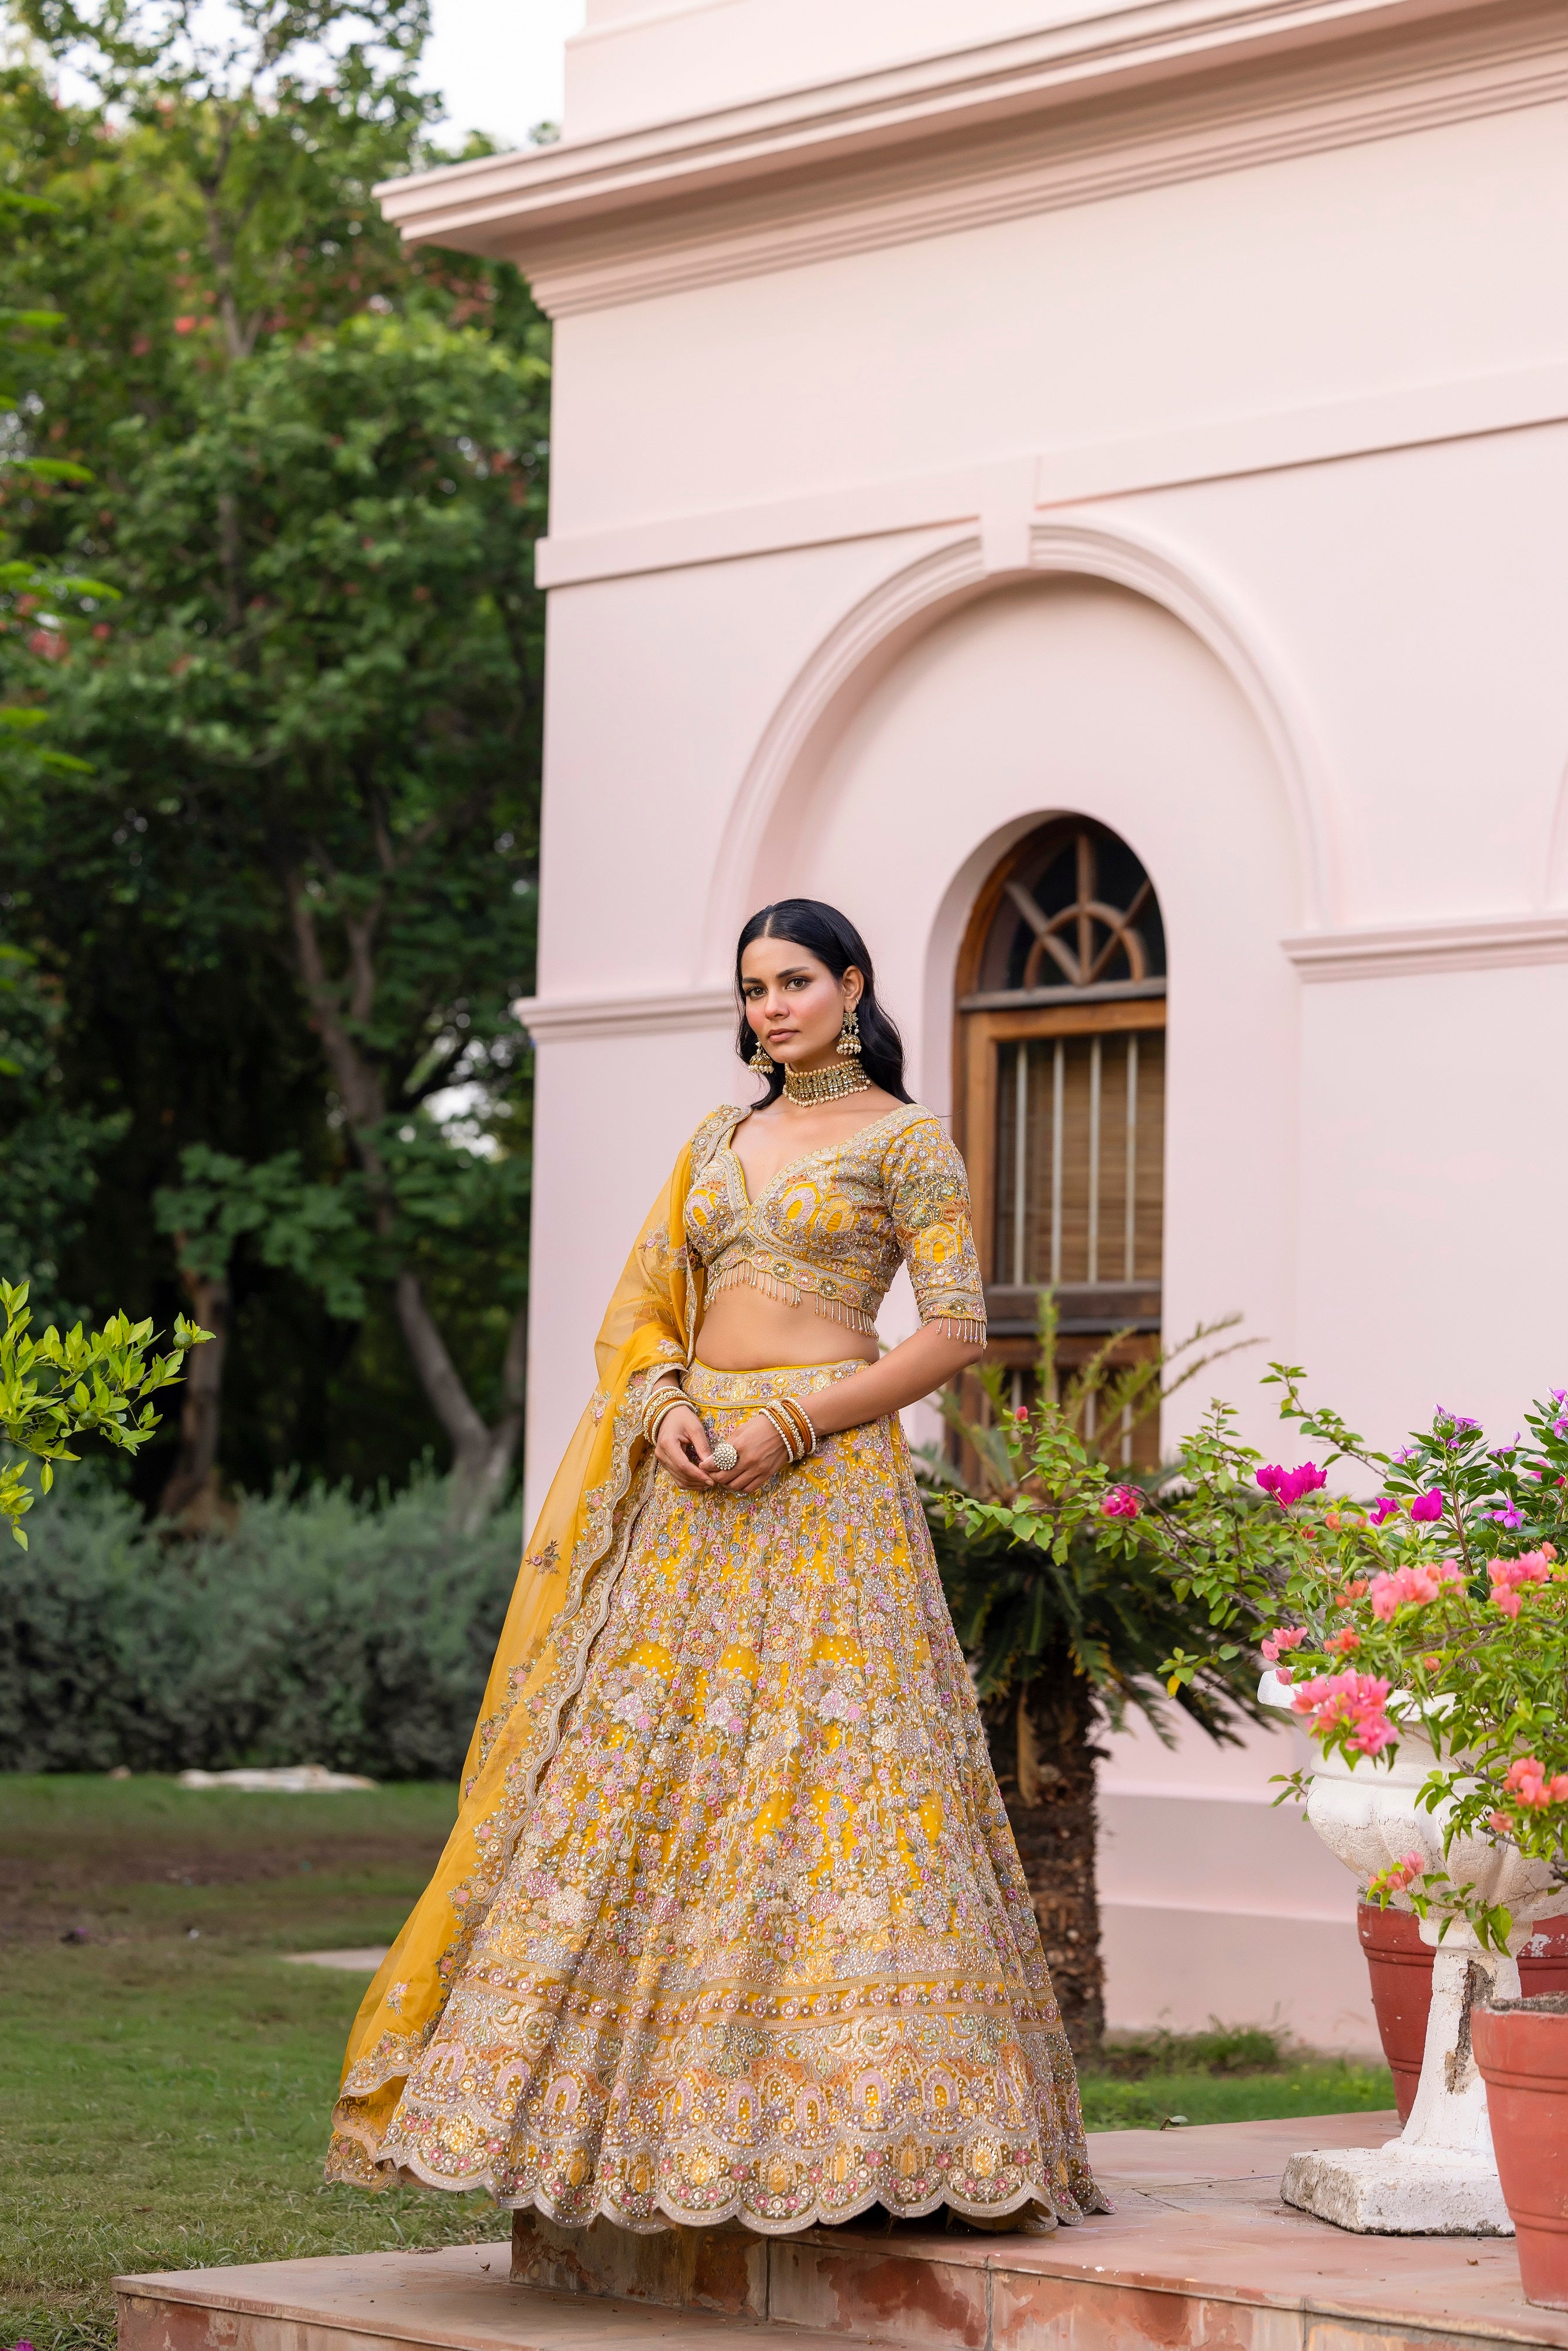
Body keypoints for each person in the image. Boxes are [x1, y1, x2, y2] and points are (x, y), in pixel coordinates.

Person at [326, 899, 1107, 2237]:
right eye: (753, 989)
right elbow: (640, 1313)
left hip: (828, 1482)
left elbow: (957, 1331)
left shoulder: (906, 1140)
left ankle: (878, 2130)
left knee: (840, 1782)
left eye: (795, 981)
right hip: (692, 1488)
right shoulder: (715, 1139)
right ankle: (634, 2145)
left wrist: (794, 1422)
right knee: (649, 1784)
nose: (772, 1008)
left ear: (852, 986)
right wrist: (667, 1405)